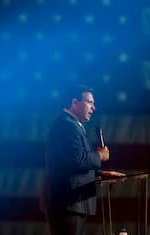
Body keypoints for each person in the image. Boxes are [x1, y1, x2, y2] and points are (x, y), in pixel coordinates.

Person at [40, 85, 124, 235]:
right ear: (74, 102)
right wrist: (100, 156)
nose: (93, 107)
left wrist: (102, 173)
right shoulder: (66, 125)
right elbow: (76, 159)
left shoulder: (72, 125)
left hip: (72, 203)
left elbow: (72, 166)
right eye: (89, 102)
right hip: (67, 203)